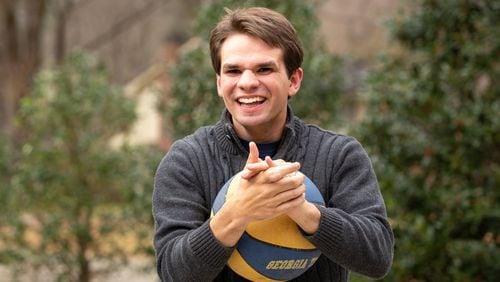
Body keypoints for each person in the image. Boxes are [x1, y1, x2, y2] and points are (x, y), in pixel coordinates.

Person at [153, 7, 394, 282]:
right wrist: (237, 211)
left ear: (293, 80)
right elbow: (173, 274)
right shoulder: (187, 159)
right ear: (220, 83)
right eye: (233, 71)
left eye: (264, 69)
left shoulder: (338, 155)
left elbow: (378, 257)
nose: (247, 83)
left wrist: (302, 210)